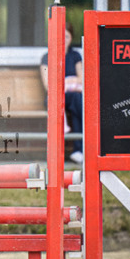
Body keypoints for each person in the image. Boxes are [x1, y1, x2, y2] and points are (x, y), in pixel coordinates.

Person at [39, 22, 84, 165]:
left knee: (78, 101)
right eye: (61, 37)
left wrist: (64, 82)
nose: (64, 40)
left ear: (72, 38)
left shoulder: (75, 55)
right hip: (54, 96)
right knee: (75, 104)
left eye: (67, 36)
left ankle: (78, 151)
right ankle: (71, 151)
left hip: (72, 94)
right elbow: (48, 84)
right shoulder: (47, 57)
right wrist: (70, 81)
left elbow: (81, 79)